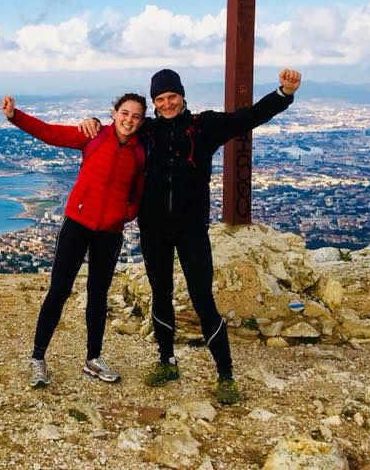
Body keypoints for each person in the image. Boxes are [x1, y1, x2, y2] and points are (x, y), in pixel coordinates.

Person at [78, 68, 301, 405]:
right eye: (160, 99)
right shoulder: (147, 131)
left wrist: (283, 94)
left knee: (202, 299)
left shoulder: (203, 127)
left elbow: (249, 118)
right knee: (161, 294)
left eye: (172, 96)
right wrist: (90, 120)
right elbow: (117, 129)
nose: (166, 103)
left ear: (182, 96)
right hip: (153, 229)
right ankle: (167, 362)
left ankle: (225, 374)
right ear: (154, 102)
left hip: (192, 228)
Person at [1, 92, 147, 388]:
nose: (129, 120)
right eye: (125, 113)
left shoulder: (141, 152)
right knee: (58, 291)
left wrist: (124, 214)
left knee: (98, 295)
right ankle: (38, 359)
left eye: (136, 116)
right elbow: (49, 134)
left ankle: (93, 358)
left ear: (141, 121)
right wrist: (15, 116)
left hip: (110, 232)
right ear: (114, 112)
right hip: (77, 224)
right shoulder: (93, 135)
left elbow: (138, 193)